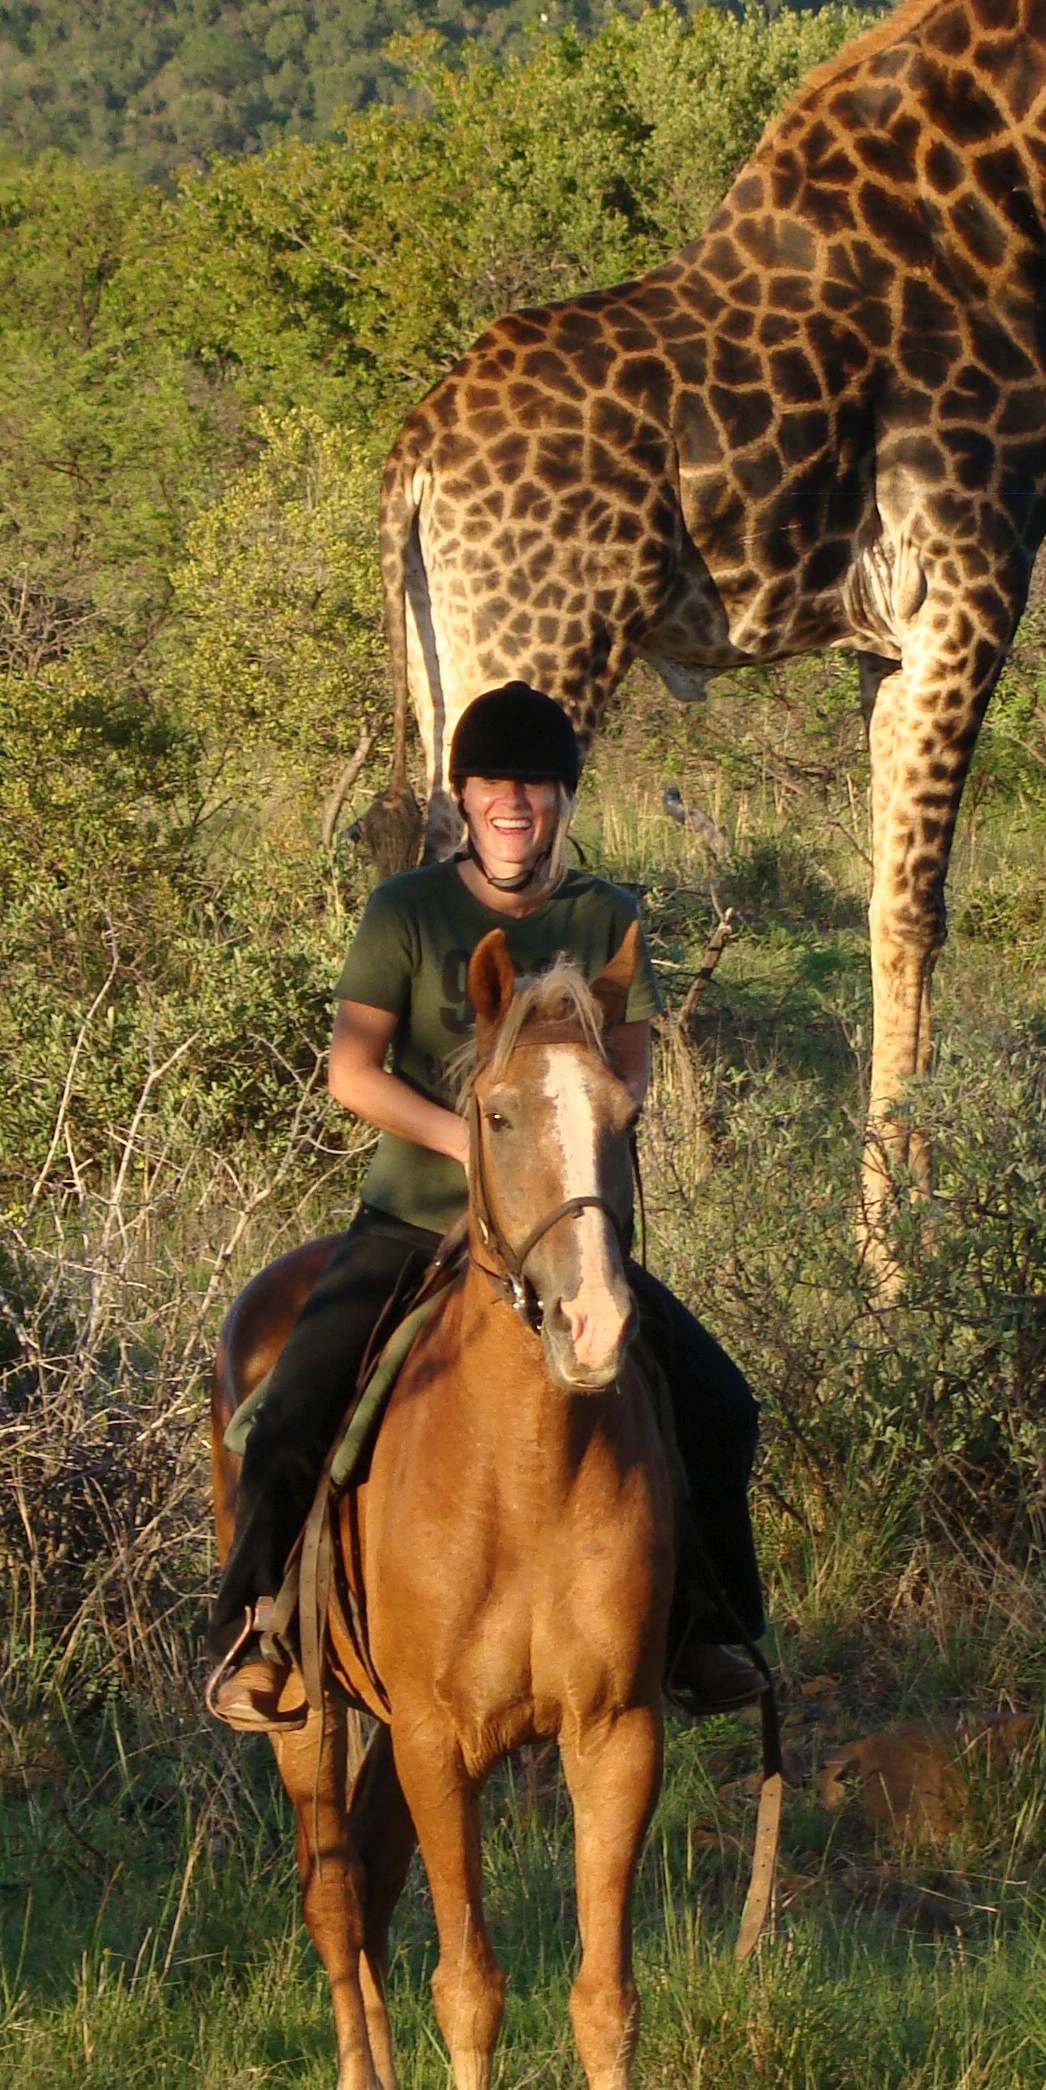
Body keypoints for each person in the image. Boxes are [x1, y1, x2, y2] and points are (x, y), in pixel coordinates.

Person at [206, 681, 768, 1731]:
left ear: (562, 798)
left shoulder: (605, 916)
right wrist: (480, 1142)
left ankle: (702, 1631)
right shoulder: (407, 911)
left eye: (537, 786)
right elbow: (352, 1072)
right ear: (462, 798)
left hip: (564, 1231)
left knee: (721, 1408)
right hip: (416, 1223)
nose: (515, 803)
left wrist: (560, 1145)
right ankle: (261, 1633)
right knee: (287, 1416)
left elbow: (631, 1070)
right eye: (492, 784)